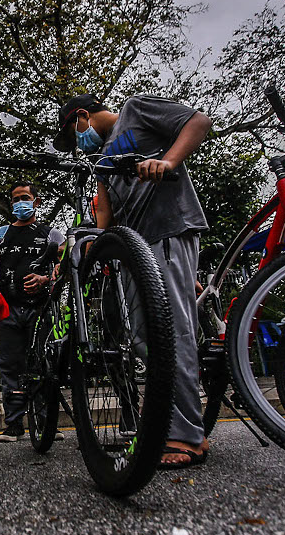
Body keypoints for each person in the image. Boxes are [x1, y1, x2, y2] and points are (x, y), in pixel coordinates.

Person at [52, 93, 213, 469]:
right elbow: (105, 208)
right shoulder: (101, 158)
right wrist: (91, 251)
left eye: (72, 133)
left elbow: (198, 122)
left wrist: (168, 160)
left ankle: (188, 436)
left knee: (173, 333)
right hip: (133, 250)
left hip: (167, 228)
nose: (77, 144)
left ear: (81, 116)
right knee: (144, 338)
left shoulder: (136, 109)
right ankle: (169, 423)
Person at [0, 181, 65, 442]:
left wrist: (46, 279)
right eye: (15, 199)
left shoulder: (51, 233)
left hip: (41, 309)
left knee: (44, 365)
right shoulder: (3, 233)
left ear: (36, 201)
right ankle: (14, 424)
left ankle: (46, 423)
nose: (20, 203)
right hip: (6, 309)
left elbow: (65, 260)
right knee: (10, 367)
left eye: (25, 197)